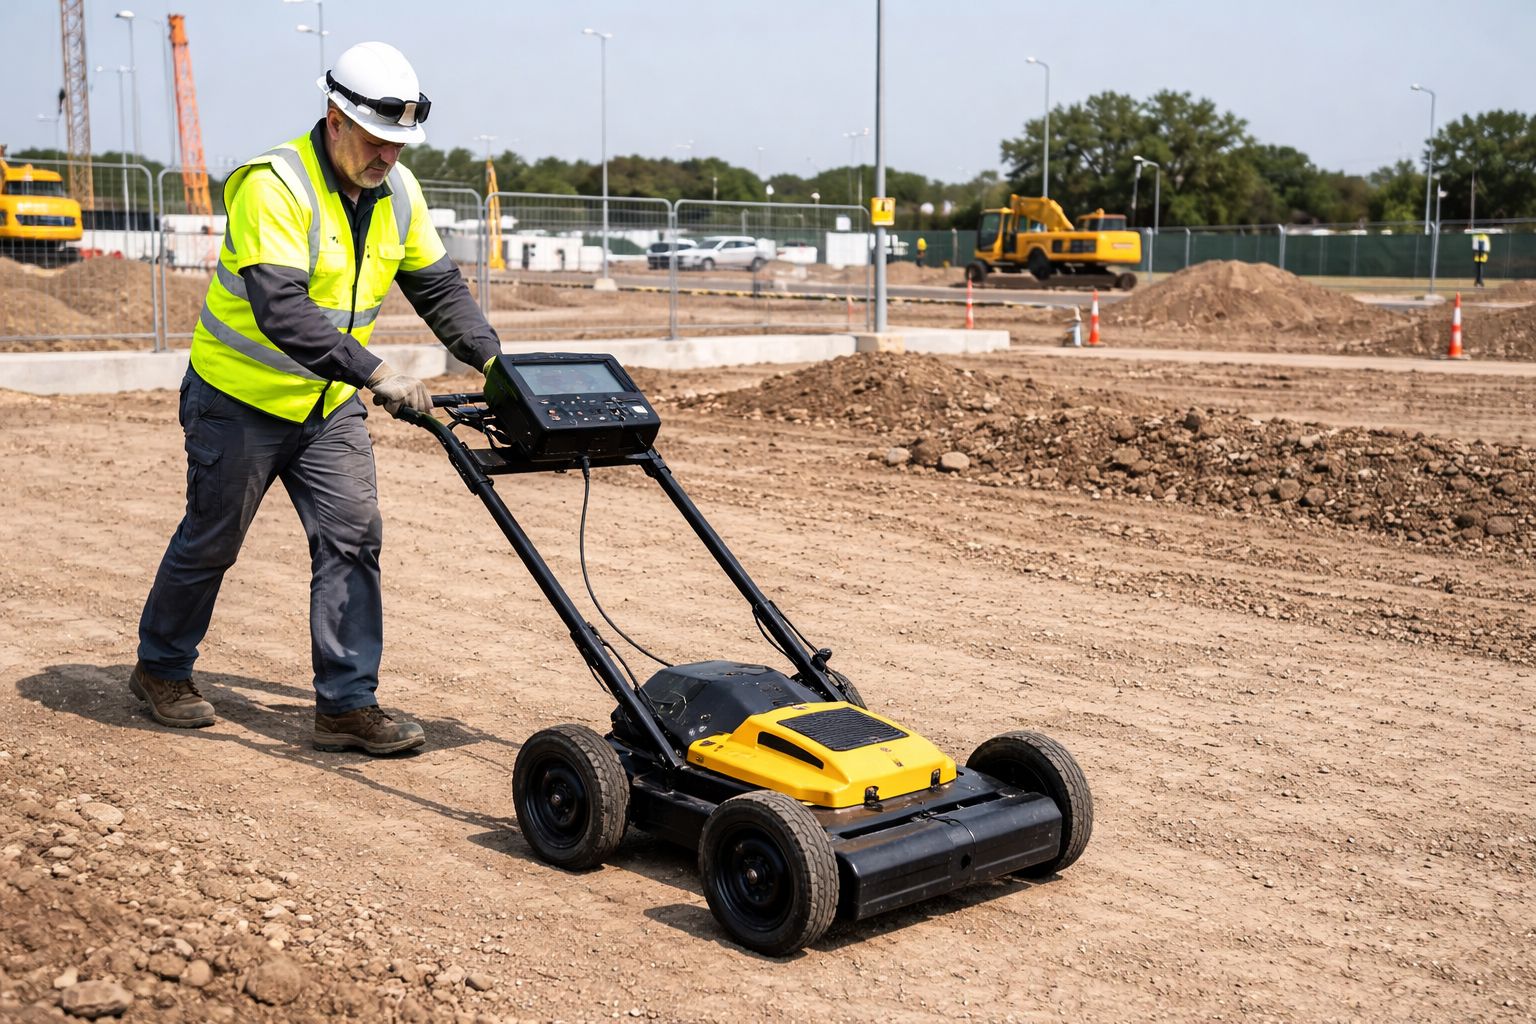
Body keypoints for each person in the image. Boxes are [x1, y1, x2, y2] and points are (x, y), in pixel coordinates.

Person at [130, 42, 502, 756]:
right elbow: (282, 309)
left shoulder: (399, 190)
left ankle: (345, 704)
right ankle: (161, 669)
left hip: (327, 407)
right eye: (375, 141)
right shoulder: (275, 184)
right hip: (238, 400)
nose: (387, 158)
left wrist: (496, 367)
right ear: (335, 120)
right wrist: (377, 371)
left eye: (398, 145)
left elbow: (439, 288)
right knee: (212, 540)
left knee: (353, 538)